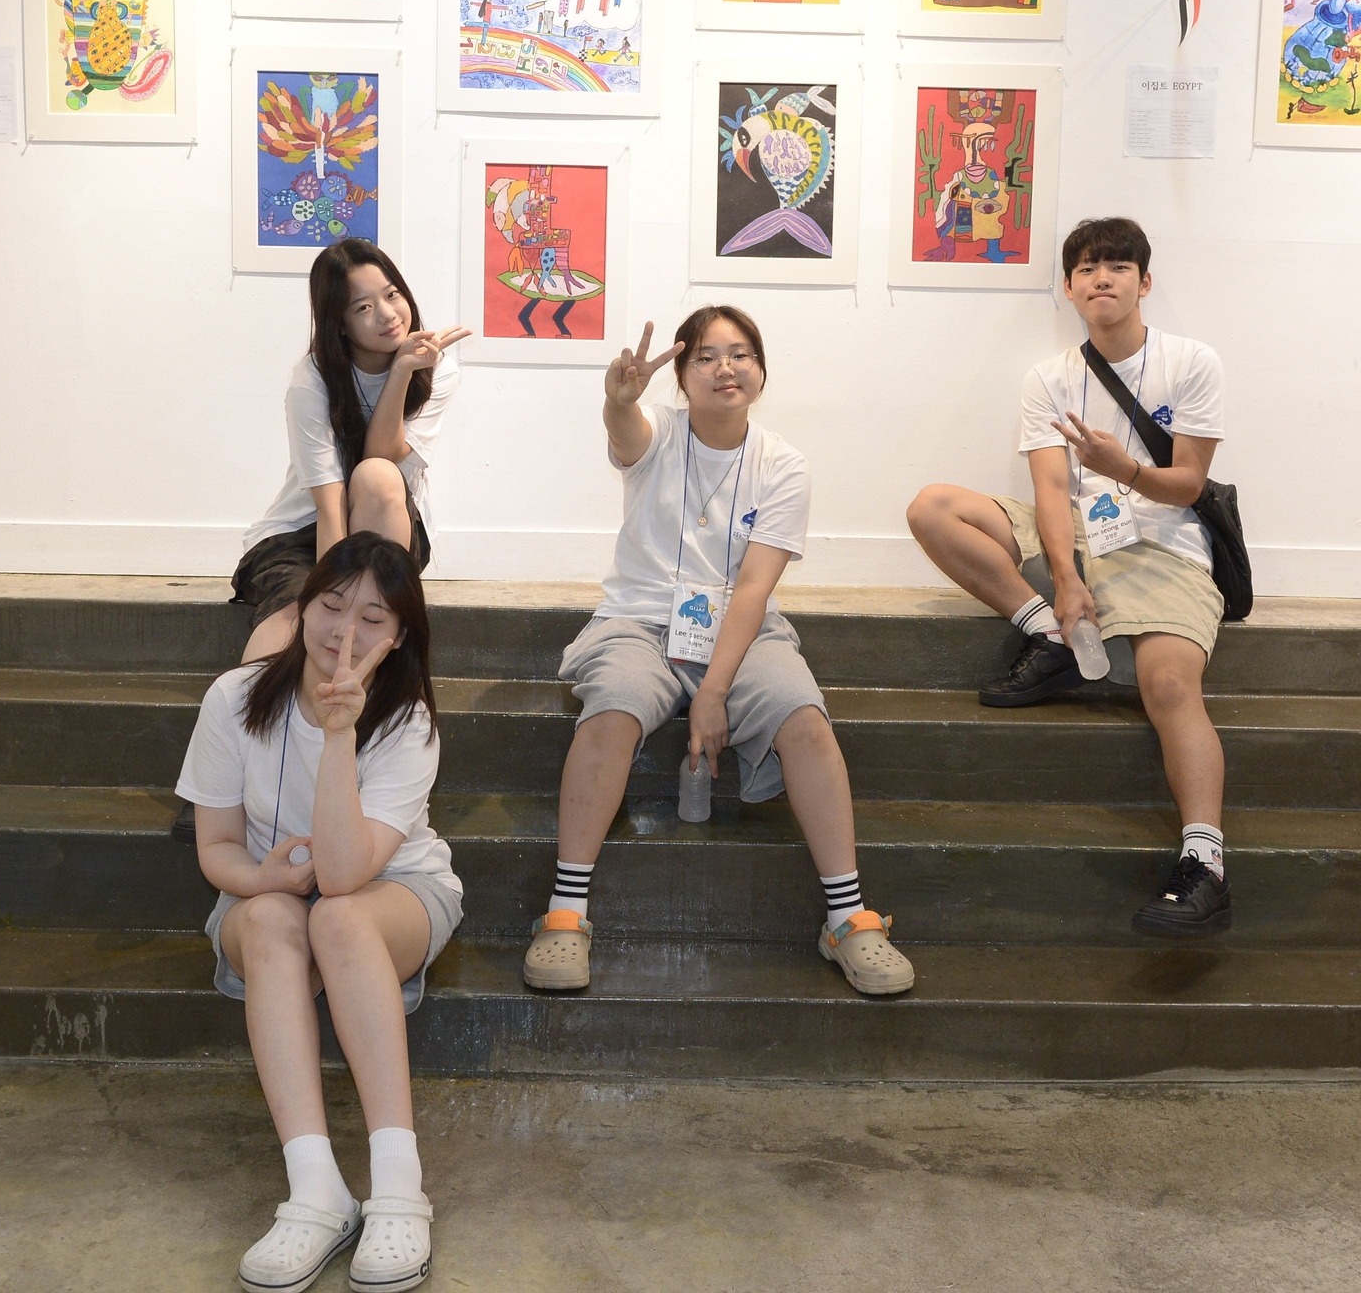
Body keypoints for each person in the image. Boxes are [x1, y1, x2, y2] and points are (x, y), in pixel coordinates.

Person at [523, 306, 916, 997]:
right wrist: (619, 401)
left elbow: (755, 588)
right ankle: (565, 912)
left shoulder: (783, 464)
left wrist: (713, 691)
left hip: (742, 627)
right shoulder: (657, 432)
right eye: (704, 356)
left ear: (761, 370)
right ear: (681, 375)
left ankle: (849, 919)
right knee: (613, 705)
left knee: (803, 716)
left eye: (740, 354)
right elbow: (626, 434)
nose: (724, 368)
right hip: (639, 621)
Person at [905, 218, 1234, 938]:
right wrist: (1063, 580)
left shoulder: (1191, 361)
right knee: (932, 508)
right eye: (1087, 268)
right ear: (1068, 287)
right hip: (1078, 534)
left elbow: (1187, 485)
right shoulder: (1050, 377)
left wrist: (1127, 470)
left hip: (1162, 541)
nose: (1101, 278)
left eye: (1117, 266)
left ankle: (1205, 865)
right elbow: (1051, 490)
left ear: (1145, 282)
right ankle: (1048, 636)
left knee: (1169, 686)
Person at [179, 534, 461, 1293]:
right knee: (275, 918)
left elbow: (340, 878)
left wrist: (340, 732)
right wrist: (259, 877)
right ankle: (315, 1191)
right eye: (333, 606)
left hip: (395, 892)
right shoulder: (234, 699)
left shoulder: (406, 721)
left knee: (337, 918)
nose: (346, 632)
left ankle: (399, 1188)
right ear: (302, 609)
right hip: (269, 892)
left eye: (373, 618)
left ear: (399, 635)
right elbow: (216, 846)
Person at [231, 240, 467, 665]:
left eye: (392, 294)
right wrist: (330, 598)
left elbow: (381, 458)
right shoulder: (313, 379)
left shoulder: (436, 369)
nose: (388, 314)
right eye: (363, 307)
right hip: (303, 531)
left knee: (376, 476)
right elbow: (329, 503)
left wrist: (401, 372)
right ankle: (243, 705)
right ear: (338, 323)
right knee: (298, 611)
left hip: (388, 523)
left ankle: (369, 694)